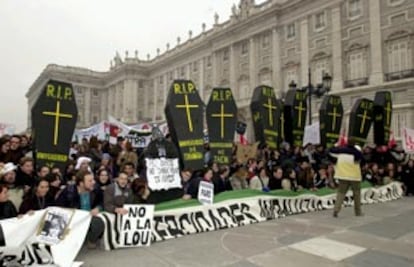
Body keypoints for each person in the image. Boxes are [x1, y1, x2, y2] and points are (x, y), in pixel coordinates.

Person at [56, 170, 104, 249]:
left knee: (98, 222)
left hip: (89, 216)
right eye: (90, 181)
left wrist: (98, 208)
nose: (93, 182)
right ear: (81, 183)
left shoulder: (96, 189)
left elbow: (102, 201)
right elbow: (58, 207)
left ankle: (91, 240)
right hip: (73, 218)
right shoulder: (68, 192)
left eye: (93, 180)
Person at [329, 141, 364, 218]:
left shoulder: (340, 151)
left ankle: (336, 210)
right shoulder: (357, 152)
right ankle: (358, 212)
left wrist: (336, 144)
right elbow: (361, 160)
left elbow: (331, 150)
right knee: (357, 194)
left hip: (342, 175)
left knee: (341, 194)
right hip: (354, 177)